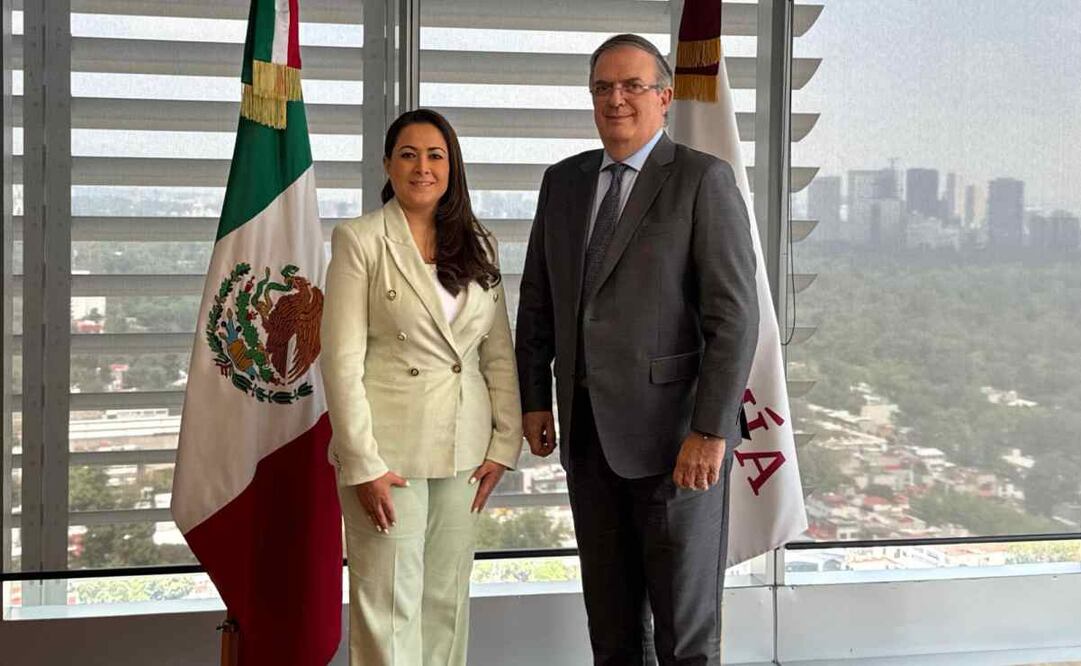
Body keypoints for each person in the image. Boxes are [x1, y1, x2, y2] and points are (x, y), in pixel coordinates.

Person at [515, 34, 759, 665]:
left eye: (631, 86)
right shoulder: (563, 183)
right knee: (613, 629)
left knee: (685, 634)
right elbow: (539, 300)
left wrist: (710, 432)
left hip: (677, 445)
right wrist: (535, 401)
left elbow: (734, 318)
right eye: (603, 87)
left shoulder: (703, 180)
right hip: (590, 441)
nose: (615, 99)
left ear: (665, 97)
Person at [322, 108, 522, 666]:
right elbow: (339, 361)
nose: (422, 167)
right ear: (388, 164)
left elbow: (497, 355)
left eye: (436, 155)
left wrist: (503, 446)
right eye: (408, 154)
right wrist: (362, 463)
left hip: (466, 452)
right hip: (388, 454)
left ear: (452, 167)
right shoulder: (360, 239)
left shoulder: (480, 243)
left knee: (445, 604)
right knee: (388, 608)